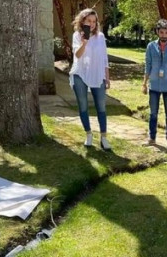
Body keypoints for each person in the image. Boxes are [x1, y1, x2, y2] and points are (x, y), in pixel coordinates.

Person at [68, 8, 111, 151]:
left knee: (101, 106)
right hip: (80, 73)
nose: (92, 24)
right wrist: (84, 42)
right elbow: (78, 55)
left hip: (97, 74)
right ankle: (88, 134)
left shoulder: (101, 37)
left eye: (94, 21)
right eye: (89, 21)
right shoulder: (76, 35)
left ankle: (104, 137)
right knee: (83, 105)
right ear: (83, 21)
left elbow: (105, 58)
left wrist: (107, 78)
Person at [143, 19, 167, 147]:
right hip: (154, 85)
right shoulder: (150, 46)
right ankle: (152, 137)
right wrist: (144, 83)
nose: (163, 35)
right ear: (157, 32)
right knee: (153, 113)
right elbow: (147, 66)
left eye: (166, 32)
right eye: (161, 32)